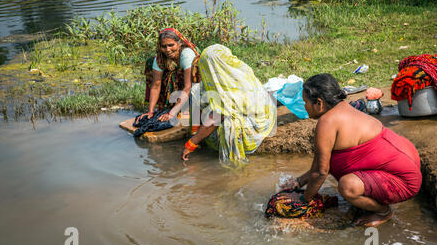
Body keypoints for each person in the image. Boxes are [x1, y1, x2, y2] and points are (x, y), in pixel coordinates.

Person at [280, 73, 422, 227]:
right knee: (346, 179)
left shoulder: (327, 122)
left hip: (402, 182)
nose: (304, 106)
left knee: (347, 186)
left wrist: (303, 201)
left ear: (319, 103)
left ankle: (383, 211)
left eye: (305, 101)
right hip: (407, 166)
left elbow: (321, 172)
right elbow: (320, 165)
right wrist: (298, 182)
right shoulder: (344, 108)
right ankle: (369, 200)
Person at [181, 44, 277, 166]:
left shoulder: (232, 84)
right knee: (196, 91)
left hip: (255, 123)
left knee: (229, 126)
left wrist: (191, 144)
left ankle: (234, 166)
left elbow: (217, 116)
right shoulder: (228, 74)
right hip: (242, 111)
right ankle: (196, 133)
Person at [137, 28, 200, 123]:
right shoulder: (160, 58)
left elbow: (188, 87)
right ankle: (172, 105)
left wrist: (171, 113)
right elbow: (155, 86)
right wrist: (150, 112)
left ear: (179, 44)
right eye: (164, 46)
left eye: (171, 45)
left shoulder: (186, 55)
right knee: (151, 62)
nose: (167, 50)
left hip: (193, 87)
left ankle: (190, 107)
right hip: (180, 90)